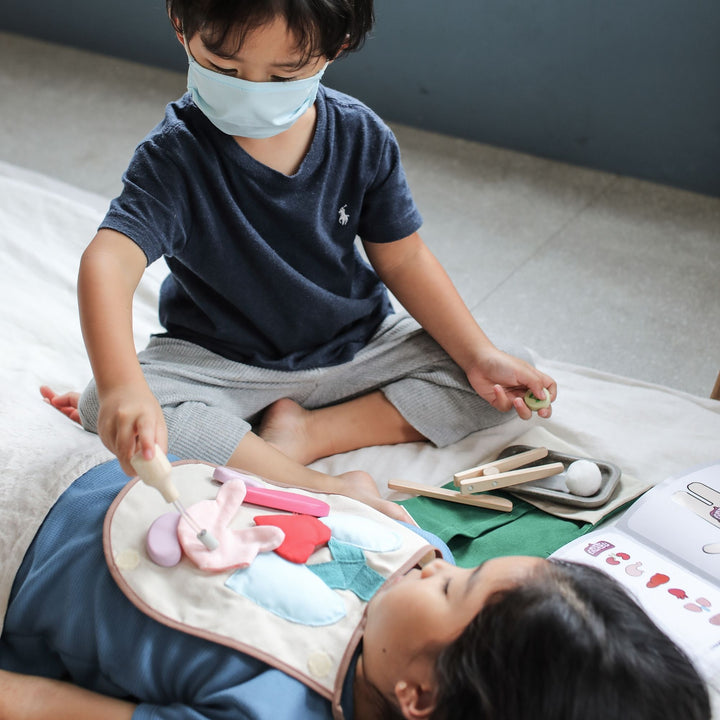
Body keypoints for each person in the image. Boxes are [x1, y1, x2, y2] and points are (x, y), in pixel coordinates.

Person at [42, 0, 556, 521]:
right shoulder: (173, 158)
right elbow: (109, 260)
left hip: (359, 345)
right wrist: (122, 389)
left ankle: (309, 431)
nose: (251, 91)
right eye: (225, 69)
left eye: (284, 74)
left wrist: (476, 355)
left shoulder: (361, 136)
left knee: (500, 375)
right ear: (181, 26)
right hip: (225, 362)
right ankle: (310, 481)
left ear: (337, 47)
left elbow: (404, 259)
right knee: (96, 403)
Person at [0, 460, 710, 720]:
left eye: (452, 587)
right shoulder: (410, 570)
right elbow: (342, 508)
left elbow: (32, 705)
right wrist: (347, 491)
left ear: (420, 696)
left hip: (19, 551)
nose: (436, 564)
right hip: (101, 463)